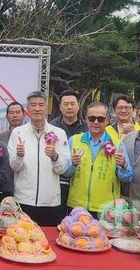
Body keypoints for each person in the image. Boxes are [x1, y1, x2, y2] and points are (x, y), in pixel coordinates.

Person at [8, 91, 70, 226]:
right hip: (23, 200)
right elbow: (13, 167)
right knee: (23, 241)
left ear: (46, 108)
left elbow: (63, 168)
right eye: (33, 105)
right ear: (27, 109)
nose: (37, 109)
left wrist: (54, 156)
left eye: (41, 105)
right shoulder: (18, 133)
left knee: (48, 242)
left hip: (50, 202)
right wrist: (19, 156)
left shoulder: (58, 133)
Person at [64, 102, 133, 217]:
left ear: (107, 120)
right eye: (92, 118)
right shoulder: (74, 141)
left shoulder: (117, 144)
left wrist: (124, 166)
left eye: (100, 119)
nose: (96, 122)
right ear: (86, 119)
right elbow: (66, 172)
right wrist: (73, 164)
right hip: (77, 206)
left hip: (106, 208)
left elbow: (127, 178)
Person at [49, 90, 88, 218]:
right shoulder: (51, 127)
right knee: (58, 218)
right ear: (60, 107)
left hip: (80, 182)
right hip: (58, 181)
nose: (69, 107)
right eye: (66, 104)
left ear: (78, 105)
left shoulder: (88, 127)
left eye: (72, 103)